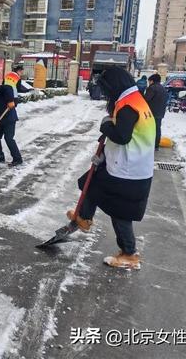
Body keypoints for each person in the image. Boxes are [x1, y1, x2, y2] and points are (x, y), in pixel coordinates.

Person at [67, 67, 155, 270]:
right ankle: (84, 218)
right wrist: (105, 154)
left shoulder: (127, 107)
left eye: (106, 89)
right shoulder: (136, 99)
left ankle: (129, 254)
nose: (106, 93)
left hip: (128, 172)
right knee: (90, 182)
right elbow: (129, 135)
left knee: (120, 213)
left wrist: (105, 124)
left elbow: (122, 136)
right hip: (128, 166)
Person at [144, 73, 167, 150]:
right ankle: (156, 145)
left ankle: (148, 145)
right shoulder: (163, 88)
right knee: (157, 129)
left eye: (149, 81)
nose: (148, 83)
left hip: (151, 113)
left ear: (152, 81)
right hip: (160, 112)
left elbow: (146, 100)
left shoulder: (152, 88)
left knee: (149, 128)